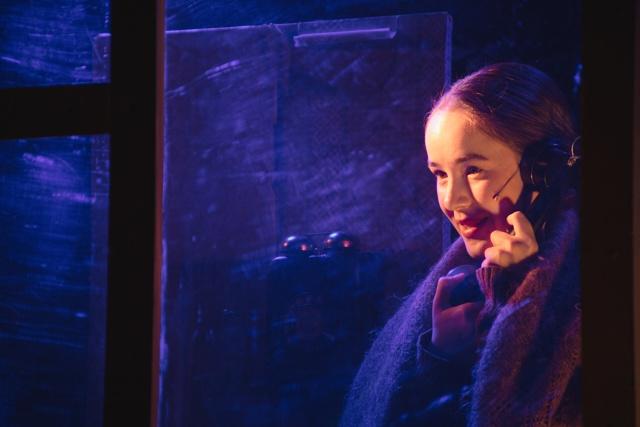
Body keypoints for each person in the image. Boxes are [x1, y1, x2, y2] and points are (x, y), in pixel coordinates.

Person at [339, 63, 581, 427]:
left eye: (473, 170)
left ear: (543, 169)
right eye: (440, 174)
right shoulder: (462, 281)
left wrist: (513, 296)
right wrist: (441, 355)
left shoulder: (586, 288)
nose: (452, 199)